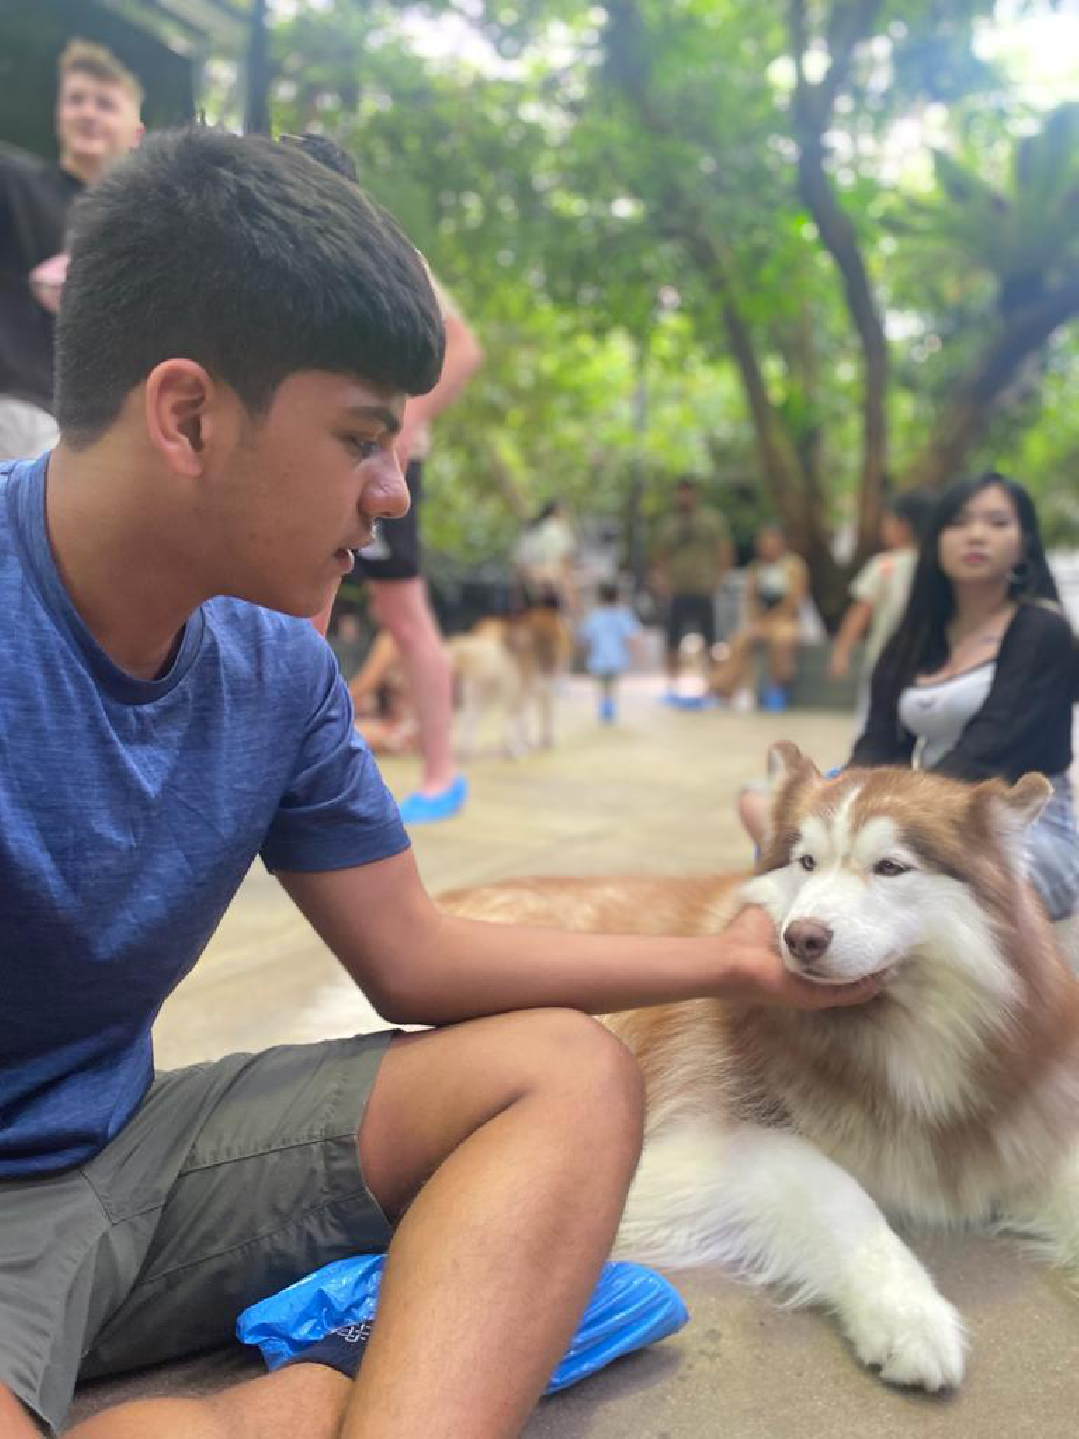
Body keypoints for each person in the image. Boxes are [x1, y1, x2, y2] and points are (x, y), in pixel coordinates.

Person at [0, 128, 882, 1439]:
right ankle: (290, 1401)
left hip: (136, 1157)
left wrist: (734, 962)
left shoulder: (275, 664)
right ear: (187, 415)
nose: (393, 492)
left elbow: (411, 954)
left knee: (566, 1071)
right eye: (362, 437)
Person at [295, 134, 483, 827]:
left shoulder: (386, 249)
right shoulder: (289, 251)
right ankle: (288, 766)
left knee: (402, 613)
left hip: (381, 455)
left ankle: (440, 774)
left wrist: (403, 430)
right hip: (318, 451)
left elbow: (463, 347)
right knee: (304, 605)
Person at [848, 471, 1079, 920]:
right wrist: (840, 795)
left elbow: (991, 747)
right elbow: (878, 742)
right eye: (958, 522)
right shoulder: (915, 637)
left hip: (1021, 827)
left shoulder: (1042, 629)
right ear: (935, 540)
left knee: (935, 882)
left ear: (1024, 543)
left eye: (997, 522)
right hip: (926, 810)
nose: (976, 535)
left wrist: (899, 811)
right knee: (771, 813)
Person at [0, 39, 143, 459]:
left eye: (105, 104)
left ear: (137, 132)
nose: (88, 112)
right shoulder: (11, 183)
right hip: (19, 407)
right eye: (76, 100)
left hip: (102, 436)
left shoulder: (145, 232)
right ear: (58, 115)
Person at [828, 489, 934, 718]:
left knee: (873, 716)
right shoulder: (937, 566)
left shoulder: (885, 565)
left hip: (884, 659)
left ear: (902, 525)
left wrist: (841, 651)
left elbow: (860, 612)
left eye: (886, 521)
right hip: (929, 661)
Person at [650, 477, 732, 703]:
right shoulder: (668, 524)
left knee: (710, 640)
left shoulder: (711, 520)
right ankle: (671, 686)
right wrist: (662, 582)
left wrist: (718, 581)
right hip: (676, 591)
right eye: (680, 492)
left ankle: (713, 685)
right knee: (672, 641)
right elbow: (659, 556)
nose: (684, 497)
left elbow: (723, 551)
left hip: (703, 589)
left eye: (688, 492)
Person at [712, 524, 808, 711]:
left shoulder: (794, 565)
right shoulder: (756, 568)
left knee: (782, 639)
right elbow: (751, 599)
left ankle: (778, 690)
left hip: (786, 620)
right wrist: (757, 621)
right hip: (762, 621)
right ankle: (722, 688)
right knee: (740, 639)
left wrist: (771, 621)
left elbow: (793, 601)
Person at [578, 579, 644, 724]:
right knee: (612, 683)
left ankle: (604, 704)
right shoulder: (623, 614)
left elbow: (584, 636)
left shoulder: (595, 616)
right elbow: (632, 636)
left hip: (599, 658)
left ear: (600, 597)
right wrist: (637, 654)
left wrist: (584, 651)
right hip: (617, 658)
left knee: (602, 683)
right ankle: (610, 704)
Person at [514, 499, 577, 612]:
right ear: (557, 512)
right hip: (550, 581)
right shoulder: (558, 528)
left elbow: (518, 562)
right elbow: (565, 561)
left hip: (527, 580)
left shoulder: (531, 529)